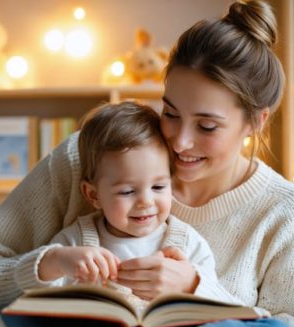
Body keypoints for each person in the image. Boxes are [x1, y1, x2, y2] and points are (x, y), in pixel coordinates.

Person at [0, 0, 294, 327]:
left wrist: (195, 288)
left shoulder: (288, 211)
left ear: (255, 122)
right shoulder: (89, 157)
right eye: (170, 112)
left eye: (207, 125)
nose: (179, 141)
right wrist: (47, 265)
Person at [40, 101, 237, 304]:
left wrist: (191, 285)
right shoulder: (75, 242)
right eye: (127, 191)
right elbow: (35, 298)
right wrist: (55, 261)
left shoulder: (188, 244)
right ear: (93, 195)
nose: (145, 202)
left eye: (159, 187)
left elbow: (218, 309)